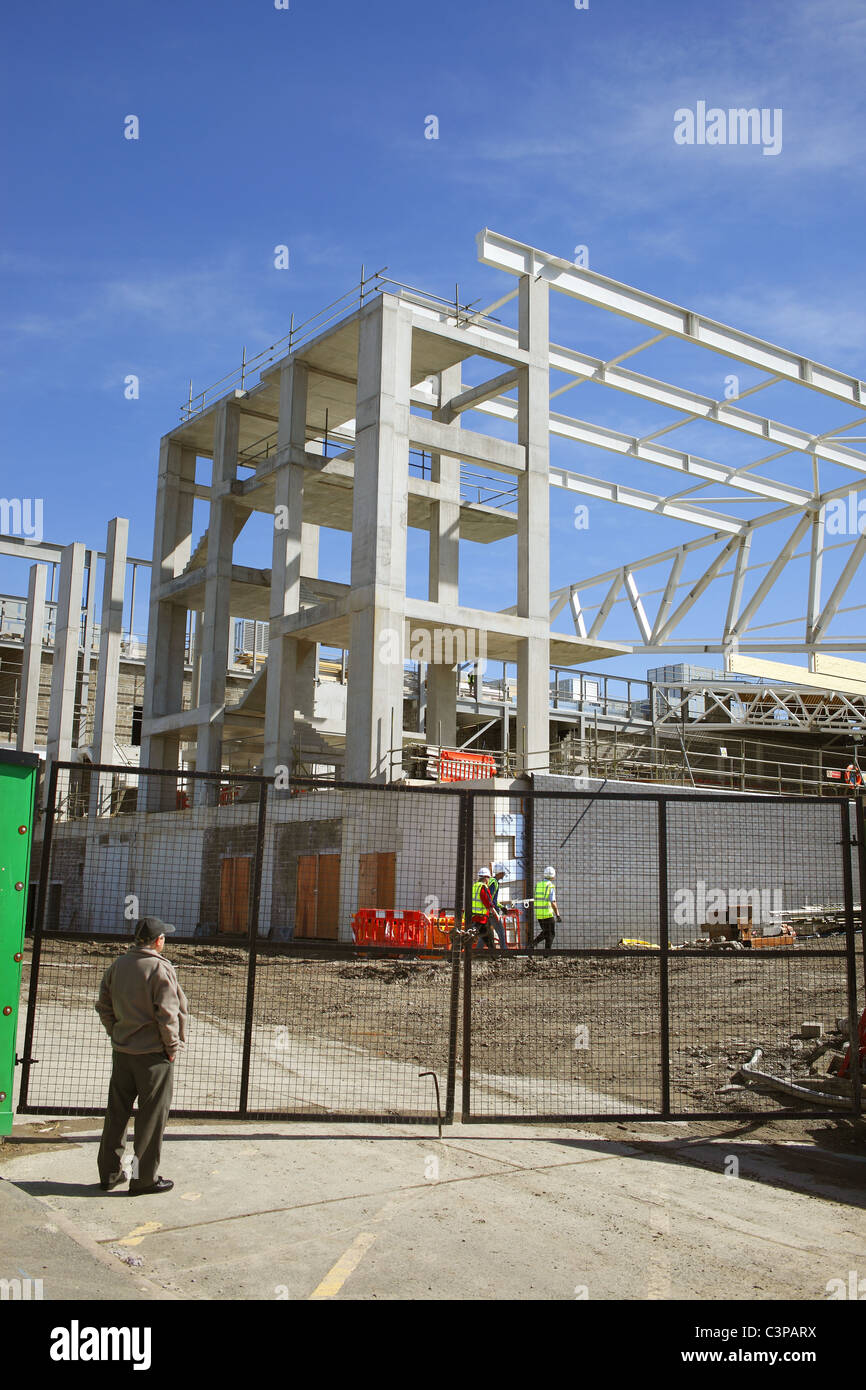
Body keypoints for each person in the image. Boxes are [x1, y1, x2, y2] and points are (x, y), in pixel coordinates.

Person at [95, 916, 188, 1195]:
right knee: (150, 1119)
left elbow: (104, 1005)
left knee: (117, 1113)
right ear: (158, 941)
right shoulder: (160, 969)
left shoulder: (118, 965)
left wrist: (117, 1033)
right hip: (152, 1057)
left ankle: (110, 1174)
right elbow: (168, 1016)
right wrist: (172, 1048)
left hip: (123, 1053)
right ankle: (142, 1178)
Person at [533, 867, 561, 952]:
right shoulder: (550, 886)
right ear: (553, 876)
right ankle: (535, 946)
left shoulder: (538, 885)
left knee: (546, 933)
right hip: (547, 913)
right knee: (550, 933)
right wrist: (558, 915)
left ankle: (535, 946)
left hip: (539, 913)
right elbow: (553, 902)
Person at [471, 868, 498, 952]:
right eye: (488, 878)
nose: (488, 880)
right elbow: (488, 902)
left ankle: (495, 957)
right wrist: (495, 913)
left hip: (476, 917)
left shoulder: (475, 886)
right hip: (480, 918)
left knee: (489, 937)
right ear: (486, 878)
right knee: (469, 938)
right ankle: (455, 954)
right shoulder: (483, 887)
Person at [487, 863, 508, 950]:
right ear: (499, 873)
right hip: (492, 911)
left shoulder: (491, 881)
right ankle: (504, 951)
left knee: (485, 932)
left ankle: (477, 951)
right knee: (501, 931)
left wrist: (501, 906)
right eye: (503, 873)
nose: (503, 875)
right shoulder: (494, 882)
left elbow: (493, 899)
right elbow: (490, 898)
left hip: (487, 911)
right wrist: (494, 911)